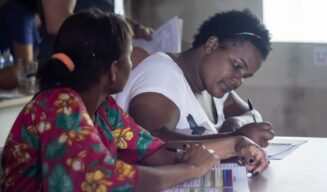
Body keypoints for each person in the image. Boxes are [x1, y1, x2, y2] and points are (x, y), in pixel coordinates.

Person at [1, 9, 269, 191]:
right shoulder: (59, 105)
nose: (138, 59)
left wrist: (235, 145)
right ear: (115, 69)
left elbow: (154, 150)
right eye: (131, 55)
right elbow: (106, 181)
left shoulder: (105, 110)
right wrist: (190, 169)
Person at [115, 9, 275, 147]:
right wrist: (234, 140)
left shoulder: (213, 87)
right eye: (238, 66)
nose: (239, 81)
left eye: (245, 76)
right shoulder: (162, 75)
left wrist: (235, 123)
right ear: (211, 45)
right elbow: (150, 144)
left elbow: (252, 115)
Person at [36, 0, 153, 66]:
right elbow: (57, 22)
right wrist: (117, 47)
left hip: (100, 70)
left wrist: (135, 29)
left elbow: (103, 14)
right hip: (71, 71)